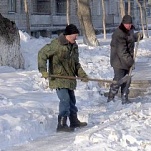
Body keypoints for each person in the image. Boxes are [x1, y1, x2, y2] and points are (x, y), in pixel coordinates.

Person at [38, 24, 88, 132]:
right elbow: (42, 53)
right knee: (65, 100)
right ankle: (61, 124)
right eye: (75, 36)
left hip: (69, 78)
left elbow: (76, 64)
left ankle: (74, 121)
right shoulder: (56, 44)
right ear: (68, 35)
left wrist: (82, 74)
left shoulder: (74, 46)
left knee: (72, 100)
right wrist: (43, 70)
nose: (76, 38)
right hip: (58, 78)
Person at [107, 15, 143, 104]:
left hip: (126, 61)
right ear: (123, 23)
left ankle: (124, 97)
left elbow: (129, 39)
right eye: (127, 24)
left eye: (130, 24)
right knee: (118, 80)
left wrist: (137, 36)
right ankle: (111, 98)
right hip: (118, 61)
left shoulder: (129, 31)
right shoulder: (118, 34)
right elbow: (122, 52)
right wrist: (131, 62)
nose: (129, 26)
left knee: (127, 80)